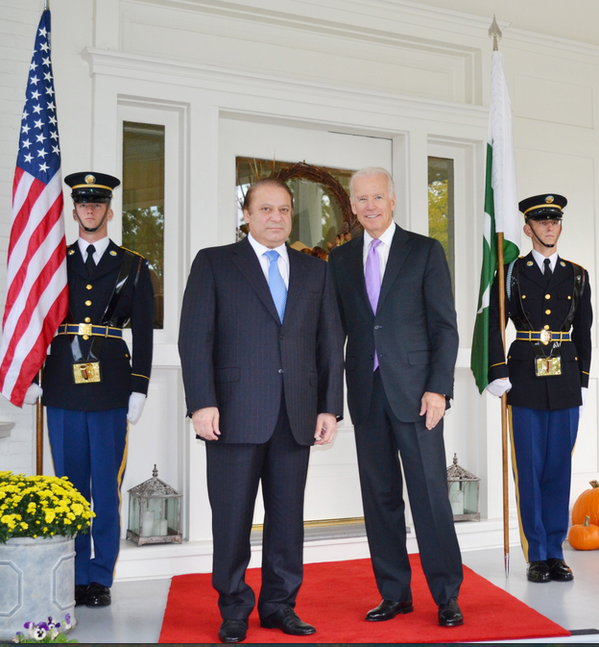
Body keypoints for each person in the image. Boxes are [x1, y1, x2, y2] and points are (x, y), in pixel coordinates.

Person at [178, 178, 344, 644]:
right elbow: (195, 339)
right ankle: (233, 606)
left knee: (288, 519)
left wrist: (330, 407)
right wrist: (201, 403)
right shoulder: (214, 263)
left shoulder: (315, 272)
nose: (277, 218)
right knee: (231, 518)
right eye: (266, 209)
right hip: (232, 413)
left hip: (296, 415)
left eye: (285, 210)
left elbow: (330, 343)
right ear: (246, 214)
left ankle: (278, 606)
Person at [329, 167, 464, 628]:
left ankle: (446, 595)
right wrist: (330, 400)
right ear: (352, 205)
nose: (369, 206)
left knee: (430, 497)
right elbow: (335, 335)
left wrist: (438, 389)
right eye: (361, 199)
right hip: (367, 396)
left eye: (377, 197)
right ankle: (395, 593)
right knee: (380, 499)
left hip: (417, 396)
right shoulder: (340, 260)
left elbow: (445, 328)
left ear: (393, 200)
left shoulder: (425, 251)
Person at [24, 171, 154, 607]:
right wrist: (34, 376)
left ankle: (100, 576)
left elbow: (146, 335)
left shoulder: (133, 264)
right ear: (74, 209)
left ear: (109, 210)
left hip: (111, 390)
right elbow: (39, 318)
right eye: (83, 203)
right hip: (61, 384)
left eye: (98, 203)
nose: (91, 209)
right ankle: (73, 571)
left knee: (105, 486)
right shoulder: (54, 262)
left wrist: (140, 386)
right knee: (68, 485)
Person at [487, 193, 592, 583]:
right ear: (528, 228)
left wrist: (581, 380)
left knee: (559, 467)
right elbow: (493, 324)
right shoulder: (511, 272)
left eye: (555, 221)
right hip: (525, 377)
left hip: (564, 375)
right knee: (528, 467)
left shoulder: (578, 275)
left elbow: (584, 333)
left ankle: (555, 550)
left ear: (560, 226)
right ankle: (536, 553)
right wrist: (498, 372)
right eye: (541, 221)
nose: (549, 227)